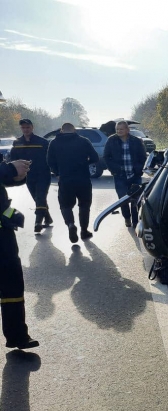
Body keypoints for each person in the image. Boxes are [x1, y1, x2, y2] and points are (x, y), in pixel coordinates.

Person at [1, 158, 39, 349]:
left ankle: (17, 335)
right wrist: (8, 168)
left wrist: (18, 175)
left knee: (12, 283)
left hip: (3, 233)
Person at [47, 123, 99, 243]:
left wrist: (57, 172)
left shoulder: (54, 143)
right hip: (83, 178)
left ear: (61, 130)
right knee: (84, 205)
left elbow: (49, 161)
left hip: (65, 179)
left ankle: (70, 224)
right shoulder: (84, 141)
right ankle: (84, 231)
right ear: (74, 130)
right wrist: (85, 163)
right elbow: (95, 158)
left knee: (65, 205)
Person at [9, 118, 53, 233]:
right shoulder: (17, 143)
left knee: (40, 197)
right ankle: (47, 218)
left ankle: (38, 222)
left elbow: (51, 158)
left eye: (27, 127)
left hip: (43, 174)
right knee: (37, 198)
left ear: (32, 127)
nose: (25, 129)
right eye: (23, 127)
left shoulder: (43, 142)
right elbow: (12, 159)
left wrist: (57, 171)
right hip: (28, 176)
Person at [103, 121, 146, 228]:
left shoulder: (136, 141)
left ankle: (136, 222)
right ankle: (127, 217)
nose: (119, 131)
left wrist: (139, 169)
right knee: (123, 199)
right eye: (117, 129)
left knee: (136, 199)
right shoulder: (111, 140)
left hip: (135, 175)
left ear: (127, 130)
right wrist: (114, 169)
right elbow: (106, 157)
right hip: (120, 176)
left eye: (121, 129)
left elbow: (143, 157)